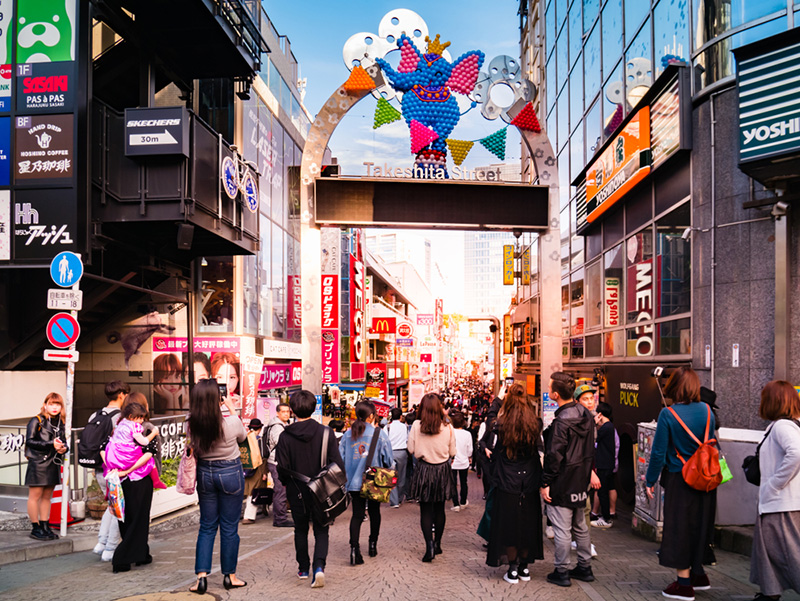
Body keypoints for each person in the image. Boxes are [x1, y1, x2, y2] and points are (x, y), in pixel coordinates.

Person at [645, 367, 716, 601]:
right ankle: (699, 574)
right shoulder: (707, 410)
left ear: (673, 387)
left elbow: (658, 452)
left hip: (681, 478)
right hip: (706, 479)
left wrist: (650, 480)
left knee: (679, 528)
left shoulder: (668, 414)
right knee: (701, 525)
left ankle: (684, 585)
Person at [276, 390, 344, 588]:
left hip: (296, 489)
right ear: (314, 408)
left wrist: (287, 483)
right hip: (322, 490)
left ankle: (303, 568)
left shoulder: (285, 436)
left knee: (300, 529)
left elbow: (281, 468)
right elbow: (337, 464)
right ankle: (319, 567)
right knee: (322, 529)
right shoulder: (326, 433)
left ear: (293, 409)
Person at [188, 379, 248, 594]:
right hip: (230, 472)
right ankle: (230, 576)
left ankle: (201, 578)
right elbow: (243, 437)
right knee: (229, 526)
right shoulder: (230, 423)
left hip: (205, 473)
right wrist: (231, 409)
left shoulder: (191, 424)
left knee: (206, 526)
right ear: (218, 399)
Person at [540, 372, 596, 587]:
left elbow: (554, 456)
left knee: (562, 529)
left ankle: (562, 570)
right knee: (580, 526)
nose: (548, 390)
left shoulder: (561, 422)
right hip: (581, 478)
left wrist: (546, 482)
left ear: (555, 394)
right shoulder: (586, 415)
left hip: (563, 480)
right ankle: (584, 567)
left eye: (549, 387)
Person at [484, 383, 543, 583]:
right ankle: (525, 567)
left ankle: (513, 568)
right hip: (529, 480)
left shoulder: (501, 425)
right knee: (528, 522)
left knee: (508, 523)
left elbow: (490, 420)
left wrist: (497, 400)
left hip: (506, 479)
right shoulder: (535, 424)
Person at [750, 380, 800, 601]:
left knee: (790, 555)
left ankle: (770, 594)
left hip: (781, 504)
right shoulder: (791, 425)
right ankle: (769, 593)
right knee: (771, 554)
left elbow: (796, 453)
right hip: (781, 502)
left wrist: (774, 484)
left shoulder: (782, 427)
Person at [104, 393, 160, 573]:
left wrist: (115, 469)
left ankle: (142, 554)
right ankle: (122, 558)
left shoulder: (117, 426)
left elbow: (103, 449)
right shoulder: (145, 427)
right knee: (139, 519)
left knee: (126, 518)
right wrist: (128, 470)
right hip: (139, 478)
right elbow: (150, 452)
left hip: (119, 479)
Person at [339, 401, 393, 564]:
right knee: (375, 513)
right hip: (374, 481)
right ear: (371, 416)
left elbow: (340, 458)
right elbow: (388, 460)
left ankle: (354, 549)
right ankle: (372, 544)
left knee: (357, 515)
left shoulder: (347, 435)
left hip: (353, 482)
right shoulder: (379, 434)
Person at [407, 393, 456, 562]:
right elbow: (453, 452)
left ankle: (429, 546)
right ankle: (438, 544)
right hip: (442, 470)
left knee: (426, 510)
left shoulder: (416, 425)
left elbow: (410, 449)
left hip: (424, 470)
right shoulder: (448, 427)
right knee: (440, 509)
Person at [24, 392, 68, 541]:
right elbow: (29, 441)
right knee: (35, 496)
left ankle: (44, 525)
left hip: (53, 462)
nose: (54, 407)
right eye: (51, 404)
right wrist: (51, 444)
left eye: (57, 404)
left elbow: (64, 442)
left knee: (47, 497)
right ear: (45, 405)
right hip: (38, 462)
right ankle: (35, 527)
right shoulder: (36, 420)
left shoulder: (61, 422)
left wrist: (63, 449)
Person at [92, 380, 128, 560]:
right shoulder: (121, 417)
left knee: (111, 506)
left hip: (99, 469)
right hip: (115, 471)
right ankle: (110, 549)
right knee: (118, 508)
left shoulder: (95, 415)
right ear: (121, 395)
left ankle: (101, 543)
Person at [104, 402, 166, 491]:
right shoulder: (134, 426)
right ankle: (156, 481)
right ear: (131, 416)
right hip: (126, 453)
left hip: (113, 454)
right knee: (150, 461)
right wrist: (154, 433)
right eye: (140, 417)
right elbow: (144, 442)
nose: (142, 420)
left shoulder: (120, 422)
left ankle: (108, 492)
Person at [265, 403, 294, 528]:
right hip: (277, 462)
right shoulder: (277, 427)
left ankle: (280, 517)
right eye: (283, 411)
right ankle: (280, 519)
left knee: (281, 490)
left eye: (288, 411)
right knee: (280, 491)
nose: (286, 414)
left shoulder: (282, 425)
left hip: (278, 461)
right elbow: (282, 445)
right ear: (278, 413)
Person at [591, 402, 617, 529]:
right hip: (608, 463)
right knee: (607, 489)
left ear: (600, 414)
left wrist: (594, 424)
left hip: (604, 464)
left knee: (602, 492)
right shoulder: (610, 426)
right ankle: (606, 516)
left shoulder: (606, 427)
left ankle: (606, 518)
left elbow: (593, 438)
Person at [242, 418, 267, 525]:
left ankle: (239, 514)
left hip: (244, 468)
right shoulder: (259, 440)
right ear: (260, 429)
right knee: (254, 492)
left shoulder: (244, 439)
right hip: (257, 469)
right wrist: (265, 472)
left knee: (245, 492)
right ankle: (248, 516)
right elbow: (263, 455)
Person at [450, 411, 473, 512]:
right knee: (464, 482)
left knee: (453, 483)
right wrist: (469, 456)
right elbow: (470, 449)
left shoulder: (450, 433)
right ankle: (463, 501)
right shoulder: (467, 434)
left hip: (453, 462)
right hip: (464, 461)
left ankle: (456, 504)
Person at [386, 408, 409, 508]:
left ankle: (394, 501)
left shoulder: (387, 427)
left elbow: (385, 441)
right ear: (400, 417)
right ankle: (399, 498)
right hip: (402, 452)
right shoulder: (405, 427)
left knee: (391, 476)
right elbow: (407, 439)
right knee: (402, 476)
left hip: (391, 452)